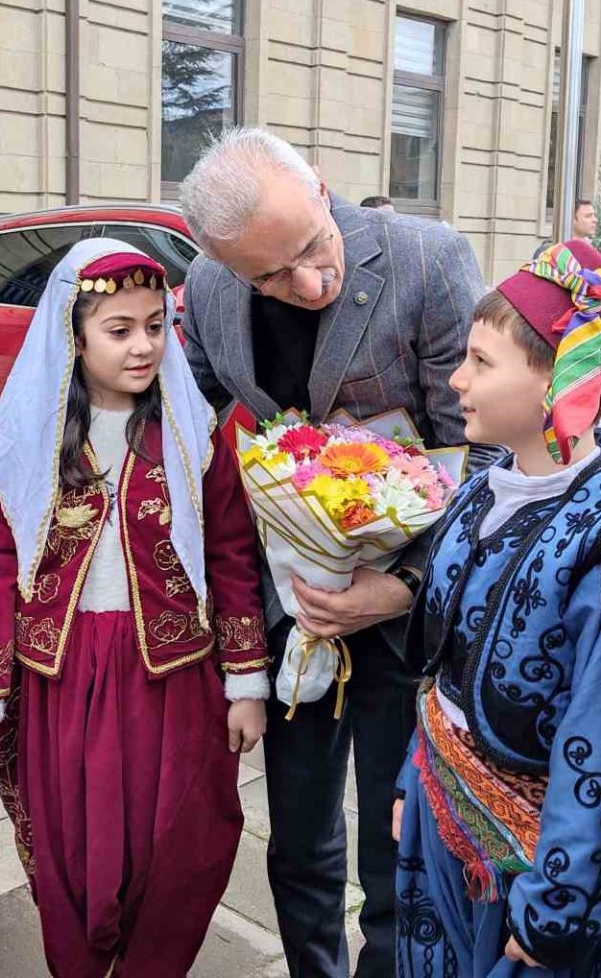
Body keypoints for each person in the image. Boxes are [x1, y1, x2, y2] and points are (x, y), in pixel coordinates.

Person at [177, 126, 486, 978]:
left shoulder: (427, 261)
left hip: (402, 619)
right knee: (300, 838)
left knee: (398, 838)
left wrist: (405, 585)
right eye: (272, 277)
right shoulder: (208, 286)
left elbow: (483, 454)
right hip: (293, 611)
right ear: (223, 263)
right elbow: (194, 420)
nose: (308, 284)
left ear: (319, 186)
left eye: (312, 249)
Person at [393, 241, 601, 977]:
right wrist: (412, 778)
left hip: (537, 881)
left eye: (481, 362)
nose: (456, 380)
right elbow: (443, 667)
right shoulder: (481, 490)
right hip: (445, 823)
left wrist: (556, 910)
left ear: (560, 380)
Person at [0, 239, 271, 977]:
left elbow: (230, 555)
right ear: (74, 335)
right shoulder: (26, 442)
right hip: (65, 681)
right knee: (75, 854)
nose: (143, 346)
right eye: (119, 330)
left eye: (155, 326)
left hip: (175, 681)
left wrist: (246, 683)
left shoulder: (191, 437)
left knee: (183, 844)